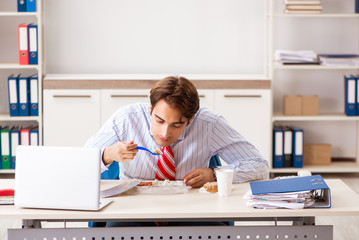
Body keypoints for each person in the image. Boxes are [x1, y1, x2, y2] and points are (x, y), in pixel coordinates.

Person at [85, 76, 269, 227]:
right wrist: (107, 154)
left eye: (177, 124)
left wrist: (214, 174)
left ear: (190, 120)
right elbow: (80, 162)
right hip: (133, 211)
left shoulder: (209, 125)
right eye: (159, 120)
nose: (165, 133)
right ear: (150, 110)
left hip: (191, 210)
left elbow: (259, 166)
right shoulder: (127, 119)